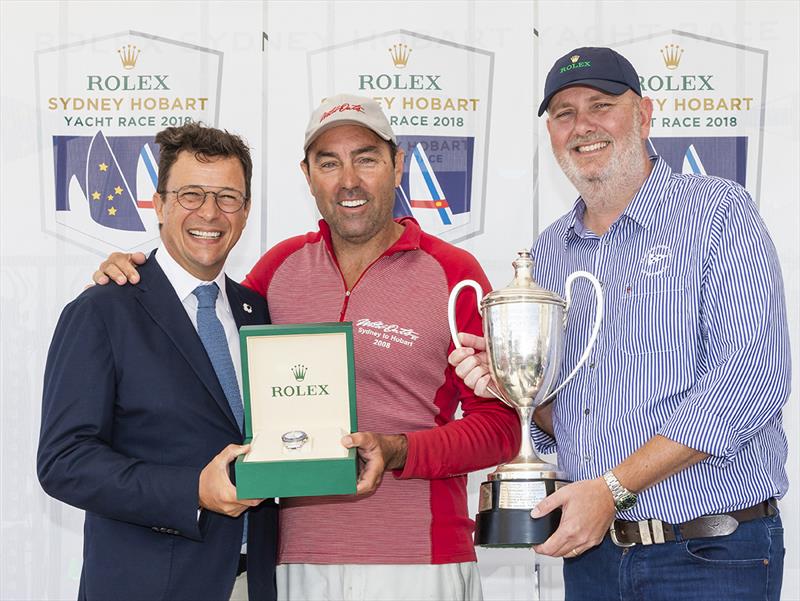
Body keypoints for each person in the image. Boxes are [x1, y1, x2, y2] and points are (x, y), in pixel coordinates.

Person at [90, 94, 520, 600]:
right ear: (308, 174)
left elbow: (501, 427)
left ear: (398, 164)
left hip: (418, 559)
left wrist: (399, 449)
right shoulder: (277, 270)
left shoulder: (454, 273)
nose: (349, 180)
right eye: (328, 163)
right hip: (289, 564)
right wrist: (138, 274)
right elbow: (201, 342)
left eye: (366, 158)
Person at [449, 47, 790, 601]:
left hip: (709, 553)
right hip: (595, 554)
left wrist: (612, 488)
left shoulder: (717, 212)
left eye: (601, 105)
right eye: (563, 113)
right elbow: (577, 417)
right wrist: (518, 389)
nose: (582, 125)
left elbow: (749, 383)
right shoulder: (549, 254)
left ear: (644, 115)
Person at [38, 123, 278, 601]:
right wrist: (192, 490)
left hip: (253, 582)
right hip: (147, 585)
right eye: (191, 194)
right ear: (159, 203)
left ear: (246, 211)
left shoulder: (258, 310)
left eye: (228, 197)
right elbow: (63, 462)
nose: (210, 212)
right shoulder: (102, 310)